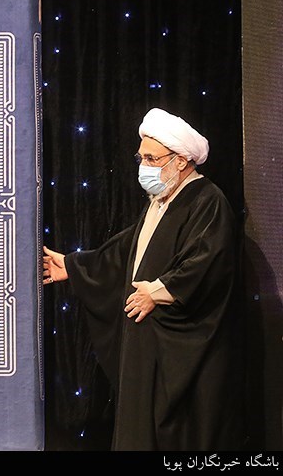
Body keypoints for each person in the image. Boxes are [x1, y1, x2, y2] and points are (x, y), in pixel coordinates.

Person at [42, 107, 243, 451]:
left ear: (181, 161)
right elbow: (125, 252)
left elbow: (207, 262)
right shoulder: (160, 201)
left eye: (151, 158)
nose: (143, 166)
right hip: (144, 338)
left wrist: (158, 292)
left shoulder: (208, 201)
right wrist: (74, 266)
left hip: (176, 345)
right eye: (141, 157)